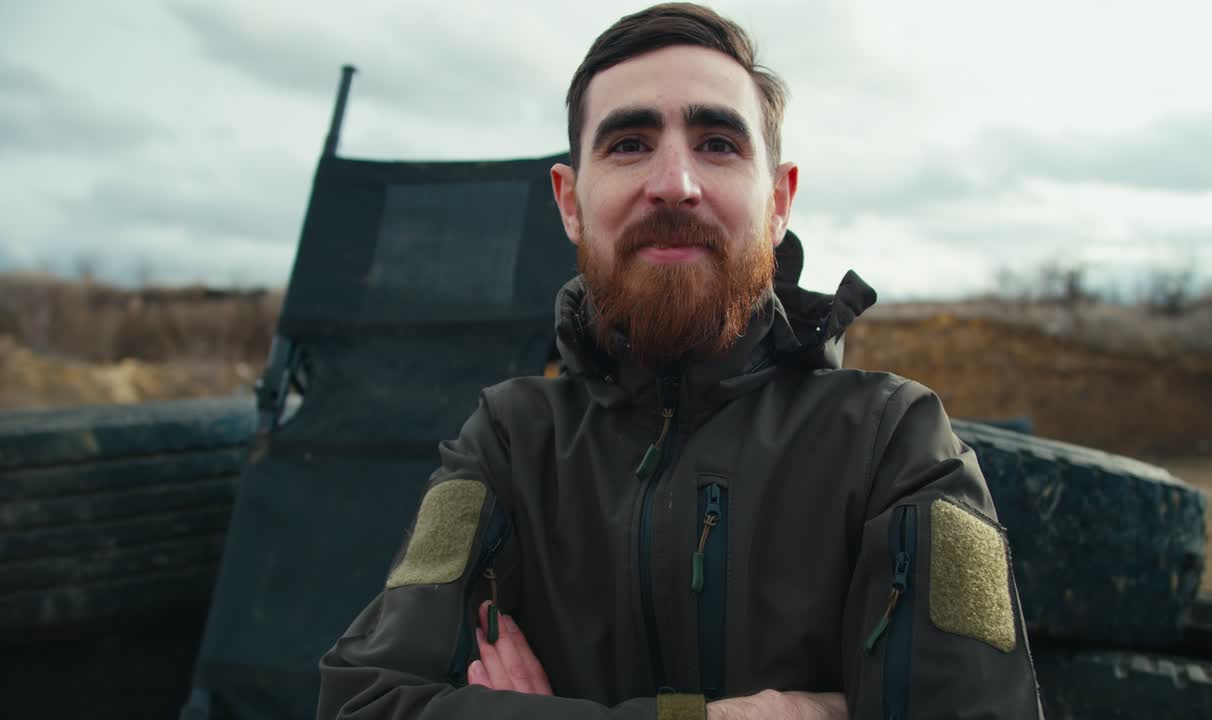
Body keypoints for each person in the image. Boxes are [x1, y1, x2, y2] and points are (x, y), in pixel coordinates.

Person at [317, 4, 1043, 718]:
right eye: (629, 143)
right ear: (570, 201)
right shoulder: (509, 440)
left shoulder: (895, 441)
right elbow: (364, 702)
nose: (675, 183)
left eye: (719, 144)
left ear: (779, 201)